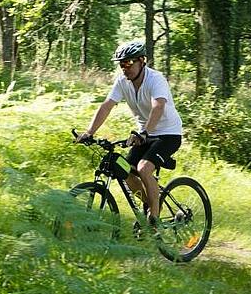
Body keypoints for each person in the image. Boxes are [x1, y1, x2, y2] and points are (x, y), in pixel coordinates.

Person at [77, 40, 183, 226]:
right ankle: (151, 205)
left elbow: (158, 107)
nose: (124, 68)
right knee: (126, 171)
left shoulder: (155, 79)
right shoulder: (122, 82)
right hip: (144, 134)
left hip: (168, 133)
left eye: (128, 63)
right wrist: (89, 132)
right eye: (121, 64)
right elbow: (107, 105)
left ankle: (154, 220)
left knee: (144, 169)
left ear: (142, 61)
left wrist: (144, 132)